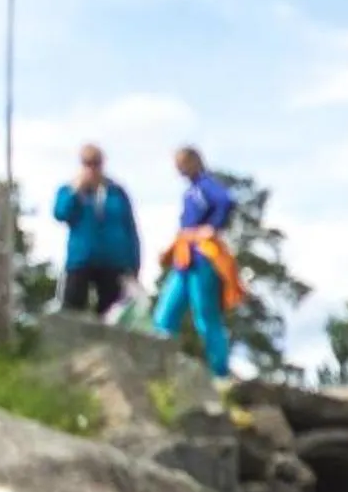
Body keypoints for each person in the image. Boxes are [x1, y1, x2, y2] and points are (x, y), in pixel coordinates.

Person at [152, 145, 242, 377]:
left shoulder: (205, 186)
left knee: (206, 316)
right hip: (184, 260)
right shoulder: (190, 191)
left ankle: (219, 372)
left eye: (182, 164)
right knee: (164, 315)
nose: (179, 170)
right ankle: (158, 365)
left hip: (203, 259)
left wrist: (212, 227)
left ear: (193, 162)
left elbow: (226, 201)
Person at [51, 143, 141, 314]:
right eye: (87, 163)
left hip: (113, 262)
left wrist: (134, 264)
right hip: (81, 260)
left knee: (111, 314)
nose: (92, 168)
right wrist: (75, 191)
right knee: (72, 311)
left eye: (96, 163)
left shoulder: (117, 192)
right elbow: (60, 214)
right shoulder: (70, 189)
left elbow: (130, 228)